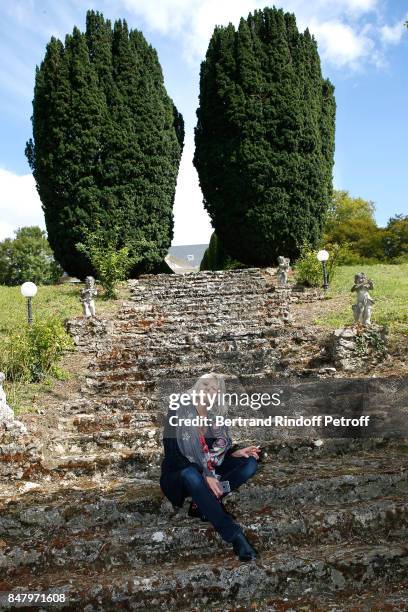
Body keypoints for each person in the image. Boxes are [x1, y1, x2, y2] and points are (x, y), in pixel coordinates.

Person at [159, 372, 260, 561]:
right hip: (181, 474)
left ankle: (201, 504)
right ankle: (234, 535)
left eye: (214, 389)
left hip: (211, 473)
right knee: (192, 475)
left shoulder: (214, 418)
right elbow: (172, 453)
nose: (209, 390)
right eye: (205, 385)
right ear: (197, 385)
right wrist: (203, 474)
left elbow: (214, 455)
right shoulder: (178, 409)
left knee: (250, 464)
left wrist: (235, 453)